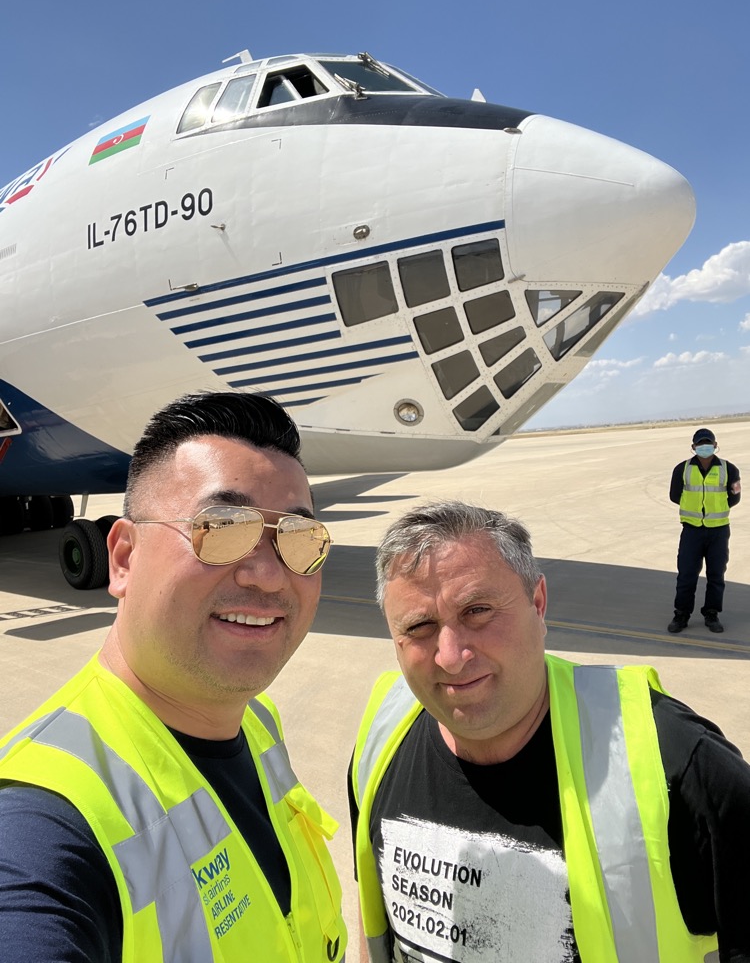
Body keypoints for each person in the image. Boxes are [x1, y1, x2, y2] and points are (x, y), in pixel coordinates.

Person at [0, 390, 347, 963]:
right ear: (124, 559)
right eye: (222, 526)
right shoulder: (44, 822)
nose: (266, 574)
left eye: (298, 537)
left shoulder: (256, 724)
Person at [349, 500, 750, 963]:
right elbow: (373, 914)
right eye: (419, 626)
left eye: (478, 610)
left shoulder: (676, 760)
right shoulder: (382, 732)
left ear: (538, 604)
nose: (450, 656)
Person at [667, 427, 741, 634]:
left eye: (708, 443)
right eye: (700, 444)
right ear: (693, 447)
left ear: (715, 446)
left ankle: (711, 614)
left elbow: (735, 497)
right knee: (686, 575)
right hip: (692, 530)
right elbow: (674, 495)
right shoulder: (681, 469)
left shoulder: (730, 469)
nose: (704, 447)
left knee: (716, 575)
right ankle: (681, 614)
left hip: (718, 531)